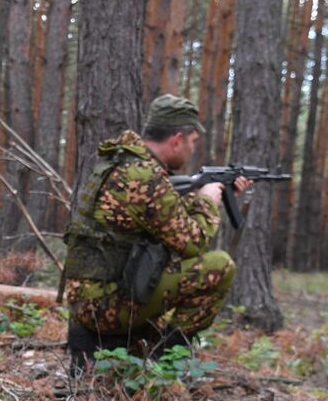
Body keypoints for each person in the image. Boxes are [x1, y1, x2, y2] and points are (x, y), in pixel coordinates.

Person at [61, 94, 252, 371]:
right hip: (103, 304)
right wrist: (207, 200)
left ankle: (135, 351)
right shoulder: (144, 176)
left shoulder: (125, 162)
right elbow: (193, 242)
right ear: (176, 138)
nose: (190, 150)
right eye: (191, 142)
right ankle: (163, 366)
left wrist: (217, 195)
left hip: (92, 299)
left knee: (167, 291)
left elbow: (162, 217)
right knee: (219, 267)